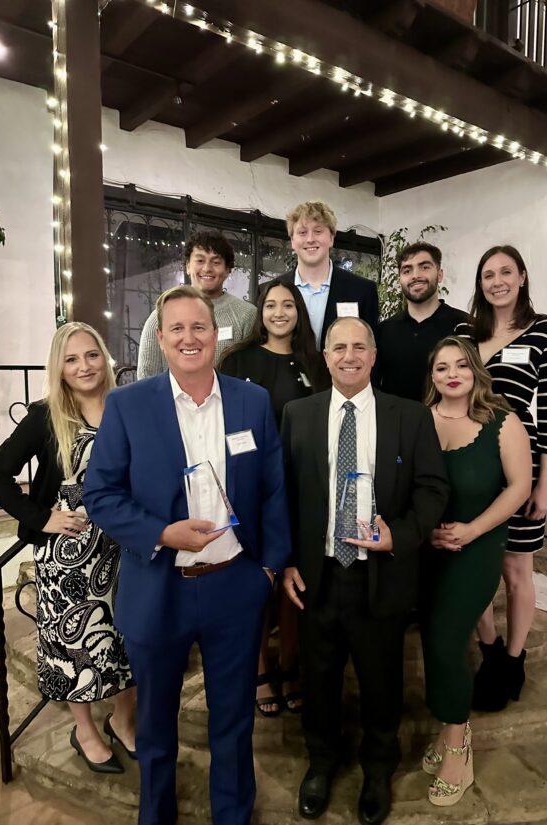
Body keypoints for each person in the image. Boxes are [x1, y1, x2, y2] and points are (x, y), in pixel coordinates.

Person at [84, 285, 291, 825]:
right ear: (160, 338)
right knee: (155, 723)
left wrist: (266, 569)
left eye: (198, 327)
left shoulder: (252, 401)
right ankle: (156, 815)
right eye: (176, 328)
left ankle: (233, 814)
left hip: (234, 585)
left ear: (216, 335)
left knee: (233, 719)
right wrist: (162, 533)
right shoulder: (127, 405)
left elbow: (274, 489)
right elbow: (101, 495)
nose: (189, 338)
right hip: (159, 587)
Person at [281, 317, 448, 825]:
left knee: (381, 681)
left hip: (382, 573)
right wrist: (285, 558)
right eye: (339, 347)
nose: (349, 355)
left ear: (374, 357)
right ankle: (321, 762)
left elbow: (433, 489)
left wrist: (399, 534)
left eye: (359, 346)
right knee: (319, 678)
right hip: (317, 573)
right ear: (325, 357)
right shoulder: (297, 414)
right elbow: (283, 494)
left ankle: (378, 767)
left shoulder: (411, 416)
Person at [0, 322, 136, 774]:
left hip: (125, 547)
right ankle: (84, 728)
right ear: (59, 368)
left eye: (91, 355)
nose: (84, 366)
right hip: (67, 556)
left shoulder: (127, 407)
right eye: (71, 359)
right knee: (74, 649)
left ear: (104, 358)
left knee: (128, 640)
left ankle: (124, 720)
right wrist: (41, 518)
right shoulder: (46, 416)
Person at [455, 245, 547, 711]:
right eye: (488, 274)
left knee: (517, 570)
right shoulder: (465, 332)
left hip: (518, 468)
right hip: (470, 469)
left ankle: (514, 659)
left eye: (506, 272)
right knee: (474, 568)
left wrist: (543, 484)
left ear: (522, 276)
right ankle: (490, 652)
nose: (497, 281)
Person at [420, 336, 532, 806]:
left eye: (461, 366)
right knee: (431, 636)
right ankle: (448, 726)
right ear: (432, 376)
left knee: (448, 637)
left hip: (478, 545)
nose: (452, 374)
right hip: (427, 549)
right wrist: (425, 533)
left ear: (475, 372)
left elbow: (519, 488)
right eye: (442, 366)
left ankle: (457, 743)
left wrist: (470, 531)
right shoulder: (417, 420)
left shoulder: (502, 422)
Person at [220, 278, 329, 716]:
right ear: (259, 312)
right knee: (257, 577)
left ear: (300, 312)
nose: (280, 312)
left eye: (289, 305)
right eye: (271, 305)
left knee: (294, 575)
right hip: (251, 486)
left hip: (305, 486)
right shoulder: (237, 360)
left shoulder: (316, 364)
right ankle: (261, 669)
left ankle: (291, 661)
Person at [136, 230, 256, 377]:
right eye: (200, 261)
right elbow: (146, 377)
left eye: (216, 262)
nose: (207, 268)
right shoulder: (162, 315)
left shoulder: (247, 315)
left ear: (227, 270)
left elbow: (252, 373)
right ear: (187, 266)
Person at [281, 200, 379, 349]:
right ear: (293, 241)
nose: (310, 239)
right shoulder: (270, 291)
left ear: (331, 238)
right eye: (302, 232)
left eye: (318, 231)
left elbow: (371, 350)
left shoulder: (363, 291)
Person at [375, 242, 467, 401]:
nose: (415, 275)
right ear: (399, 280)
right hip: (395, 423)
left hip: (447, 423)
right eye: (407, 270)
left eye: (424, 267)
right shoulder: (383, 330)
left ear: (439, 274)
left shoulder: (464, 325)